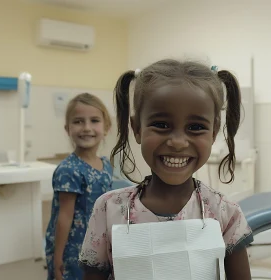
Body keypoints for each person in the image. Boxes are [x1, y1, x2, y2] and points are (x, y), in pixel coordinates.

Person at [78, 59, 254, 280]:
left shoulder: (224, 214)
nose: (178, 142)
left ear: (214, 130)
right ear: (137, 128)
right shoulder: (109, 209)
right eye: (161, 125)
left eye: (196, 127)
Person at [45, 93, 114, 280]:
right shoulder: (69, 169)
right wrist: (57, 258)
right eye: (78, 122)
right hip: (73, 248)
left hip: (97, 243)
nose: (87, 128)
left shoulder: (106, 165)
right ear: (67, 129)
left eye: (94, 121)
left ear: (106, 127)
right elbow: (64, 217)